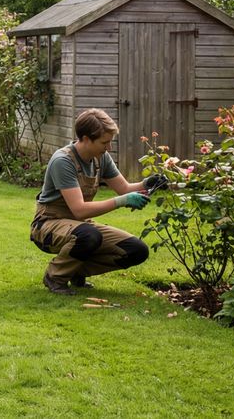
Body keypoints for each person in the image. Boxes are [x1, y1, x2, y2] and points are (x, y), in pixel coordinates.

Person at [30, 108, 160, 295]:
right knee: (89, 235)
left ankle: (76, 271)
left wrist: (147, 183)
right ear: (85, 139)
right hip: (49, 224)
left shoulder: (101, 158)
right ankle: (56, 277)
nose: (109, 148)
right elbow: (79, 210)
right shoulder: (63, 161)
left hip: (79, 225)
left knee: (136, 250)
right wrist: (122, 201)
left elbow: (124, 188)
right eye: (104, 142)